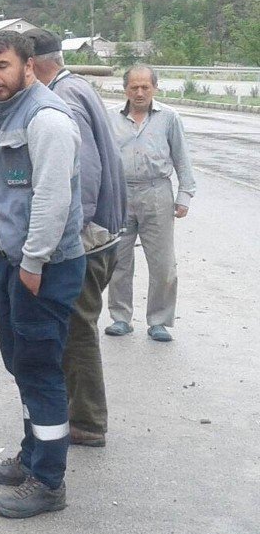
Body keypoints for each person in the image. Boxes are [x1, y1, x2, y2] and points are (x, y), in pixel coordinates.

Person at [0, 30, 86, 518]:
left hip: (42, 267)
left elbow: (53, 199)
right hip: (12, 261)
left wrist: (35, 262)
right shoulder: (7, 116)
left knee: (40, 370)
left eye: (1, 66)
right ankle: (31, 457)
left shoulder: (46, 119)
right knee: (21, 365)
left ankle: (49, 482)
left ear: (28, 65)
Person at [25, 29, 127, 447]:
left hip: (87, 237)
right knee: (76, 326)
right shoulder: (79, 86)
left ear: (33, 65)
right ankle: (77, 412)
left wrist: (70, 234)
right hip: (104, 233)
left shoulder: (61, 99)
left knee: (77, 329)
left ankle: (86, 421)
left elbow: (82, 175)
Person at [106, 65, 196, 342]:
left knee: (163, 263)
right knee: (119, 259)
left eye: (145, 87)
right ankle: (120, 317)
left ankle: (159, 320)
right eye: (134, 87)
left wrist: (185, 195)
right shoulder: (111, 118)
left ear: (154, 88)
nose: (140, 92)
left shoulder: (169, 117)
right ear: (125, 90)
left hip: (157, 192)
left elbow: (182, 158)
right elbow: (103, 159)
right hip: (121, 195)